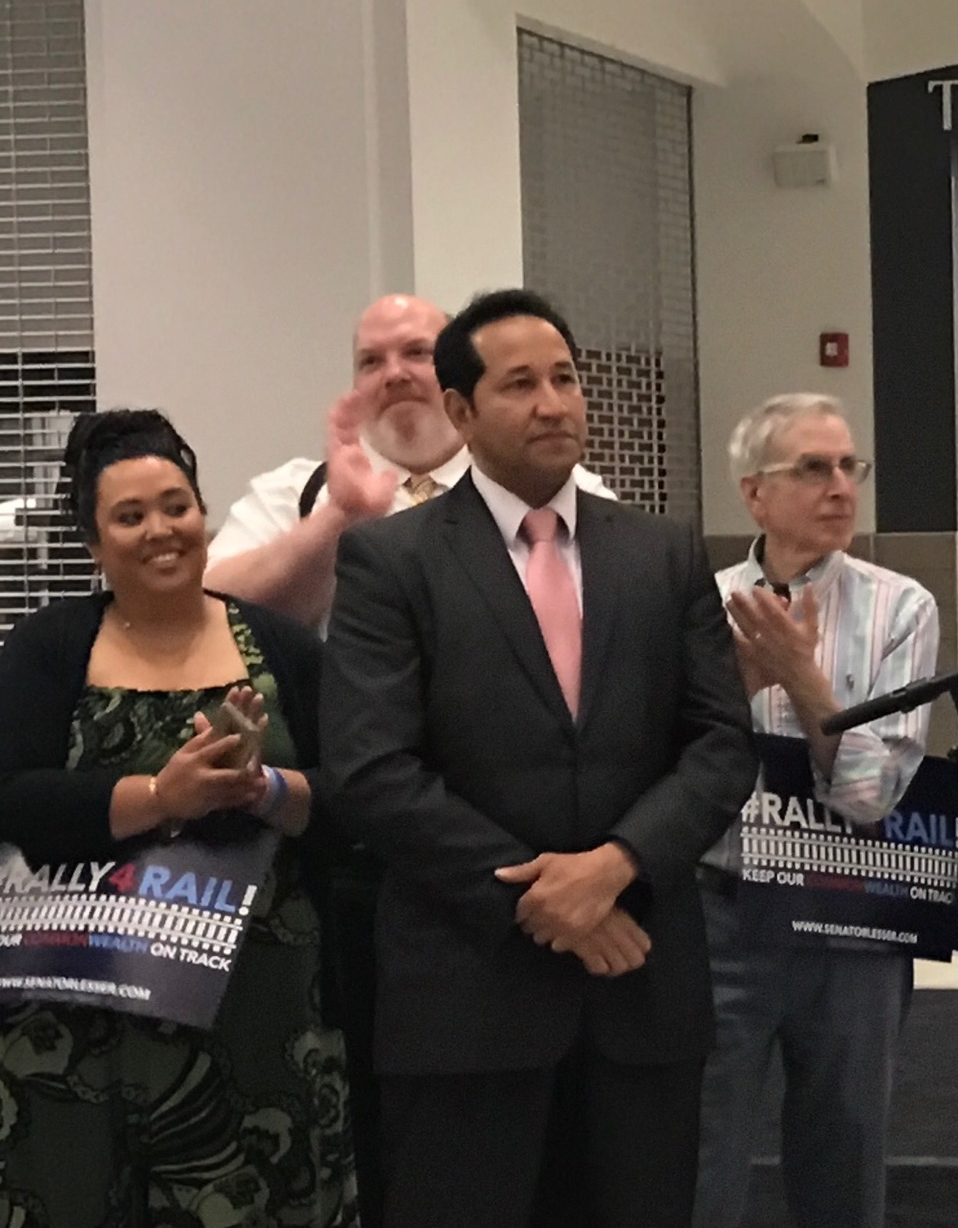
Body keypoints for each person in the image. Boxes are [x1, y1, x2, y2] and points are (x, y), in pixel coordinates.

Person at [320, 288, 754, 1228]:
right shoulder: (391, 563)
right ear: (462, 411)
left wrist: (616, 865)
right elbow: (371, 770)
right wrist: (539, 899)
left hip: (640, 990)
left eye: (564, 378)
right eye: (520, 384)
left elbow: (720, 743)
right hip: (467, 1004)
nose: (554, 402)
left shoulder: (661, 553)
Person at [0, 410, 357, 1224]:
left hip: (262, 1014)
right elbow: (13, 795)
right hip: (77, 1017)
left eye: (177, 505)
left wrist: (265, 789)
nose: (160, 530)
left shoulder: (287, 648)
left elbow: (357, 802)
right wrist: (163, 797)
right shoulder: (47, 647)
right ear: (93, 543)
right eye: (130, 516)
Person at [689, 395, 940, 1228]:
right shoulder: (697, 602)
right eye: (813, 468)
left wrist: (801, 679)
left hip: (851, 915)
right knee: (701, 1153)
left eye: (849, 466)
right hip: (722, 911)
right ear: (754, 492)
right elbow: (668, 762)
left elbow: (871, 792)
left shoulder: (902, 608)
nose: (840, 486)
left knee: (846, 1150)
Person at [205, 293, 611, 629]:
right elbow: (203, 610)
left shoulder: (559, 490)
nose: (394, 375)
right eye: (371, 362)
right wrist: (337, 521)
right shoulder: (298, 492)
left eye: (417, 353)